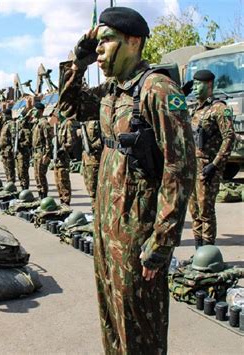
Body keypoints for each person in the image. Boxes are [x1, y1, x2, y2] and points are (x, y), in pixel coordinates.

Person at [59, 6, 196, 353]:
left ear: (133, 41)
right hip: (108, 229)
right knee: (112, 323)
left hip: (138, 234)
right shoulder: (112, 93)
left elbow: (180, 171)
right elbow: (69, 107)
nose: (100, 51)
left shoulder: (157, 90)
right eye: (97, 44)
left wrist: (161, 243)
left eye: (106, 42)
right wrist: (79, 63)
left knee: (140, 331)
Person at [187, 70, 235, 248]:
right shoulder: (195, 108)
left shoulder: (219, 108)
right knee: (195, 213)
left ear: (209, 85)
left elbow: (229, 138)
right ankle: (198, 252)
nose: (195, 86)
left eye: (199, 83)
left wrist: (215, 165)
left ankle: (208, 253)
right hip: (194, 168)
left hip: (208, 169)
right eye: (194, 83)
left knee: (206, 213)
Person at [31, 102, 53, 198]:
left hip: (42, 153)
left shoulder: (44, 123)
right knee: (36, 176)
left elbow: (49, 139)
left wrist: (47, 154)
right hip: (36, 153)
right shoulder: (37, 123)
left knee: (41, 176)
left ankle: (44, 196)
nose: (33, 112)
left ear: (40, 111)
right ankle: (40, 195)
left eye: (35, 110)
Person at [0, 108, 16, 182]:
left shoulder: (11, 124)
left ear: (8, 115)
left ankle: (11, 182)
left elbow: (14, 136)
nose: (3, 117)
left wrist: (12, 148)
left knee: (10, 167)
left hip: (8, 149)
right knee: (6, 167)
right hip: (4, 149)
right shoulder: (5, 124)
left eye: (4, 115)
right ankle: (8, 181)